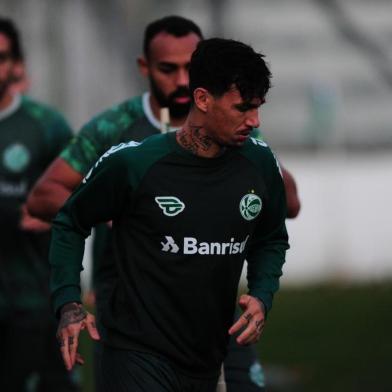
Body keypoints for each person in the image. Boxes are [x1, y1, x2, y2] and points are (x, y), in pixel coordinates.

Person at [27, 16, 299, 391]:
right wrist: (69, 304)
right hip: (137, 352)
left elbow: (271, 237)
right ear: (202, 99)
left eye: (259, 107)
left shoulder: (259, 163)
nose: (255, 120)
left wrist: (262, 293)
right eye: (243, 108)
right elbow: (70, 221)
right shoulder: (133, 161)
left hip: (207, 353)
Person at [0, 17, 80, 391]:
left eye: (0, 57)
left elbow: (82, 198)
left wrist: (52, 215)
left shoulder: (46, 126)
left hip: (31, 297)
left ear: (15, 64)